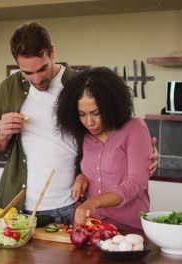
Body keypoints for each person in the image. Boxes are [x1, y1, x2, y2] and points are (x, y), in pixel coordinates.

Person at [0, 22, 158, 224]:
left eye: (42, 69)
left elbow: (112, 131)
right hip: (20, 206)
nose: (37, 79)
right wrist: (2, 134)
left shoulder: (79, 85)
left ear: (52, 52)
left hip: (73, 205)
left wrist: (144, 154)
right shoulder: (7, 90)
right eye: (27, 73)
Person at [55, 67, 152, 230]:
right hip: (94, 227)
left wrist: (94, 202)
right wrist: (82, 177)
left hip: (129, 229)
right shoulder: (84, 136)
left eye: (96, 113)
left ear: (110, 107)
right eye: (82, 114)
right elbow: (96, 171)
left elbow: (137, 183)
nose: (89, 122)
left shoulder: (135, 128)